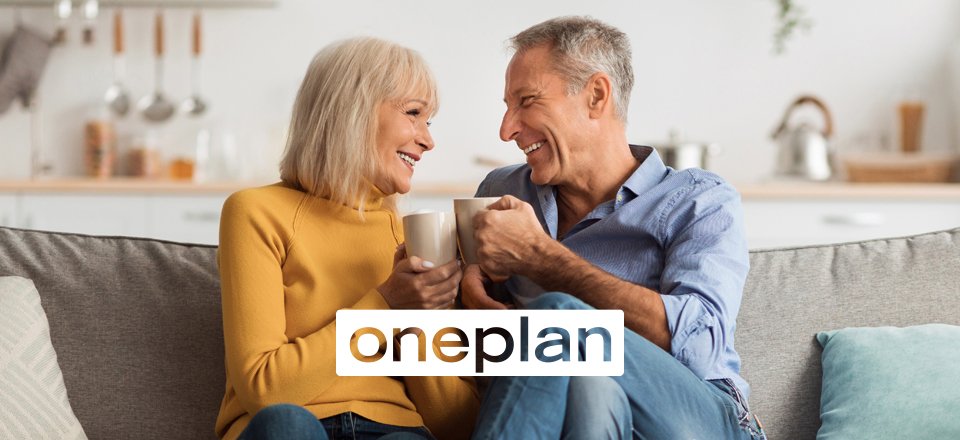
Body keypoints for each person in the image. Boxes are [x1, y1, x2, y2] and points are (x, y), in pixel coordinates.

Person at [461, 17, 765, 440]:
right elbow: (460, 348)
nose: (506, 129)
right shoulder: (501, 191)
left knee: (559, 319)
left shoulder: (700, 201)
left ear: (596, 96)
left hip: (700, 417)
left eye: (526, 101)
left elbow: (698, 348)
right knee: (589, 387)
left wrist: (542, 259)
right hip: (590, 415)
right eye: (506, 107)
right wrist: (454, 297)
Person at [216, 37, 478, 440]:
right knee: (287, 424)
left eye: (430, 121)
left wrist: (418, 322)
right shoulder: (255, 211)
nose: (428, 139)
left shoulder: (411, 237)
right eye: (414, 114)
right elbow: (265, 391)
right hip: (291, 426)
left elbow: (454, 425)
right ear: (352, 112)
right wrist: (385, 304)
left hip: (394, 428)